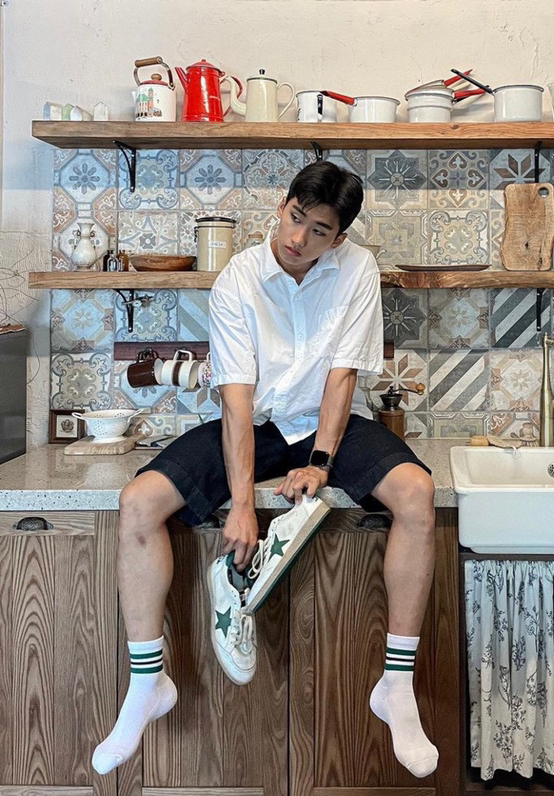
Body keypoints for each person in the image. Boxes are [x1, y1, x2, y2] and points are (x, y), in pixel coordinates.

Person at [92, 161, 438, 778]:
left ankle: (396, 685)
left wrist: (322, 463)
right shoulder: (239, 279)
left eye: (319, 230)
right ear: (282, 206)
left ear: (340, 237)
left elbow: (342, 376)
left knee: (417, 492)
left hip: (326, 424)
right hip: (254, 424)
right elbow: (236, 399)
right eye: (295, 218)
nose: (298, 238)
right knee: (137, 503)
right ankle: (148, 682)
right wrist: (244, 506)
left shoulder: (357, 270)